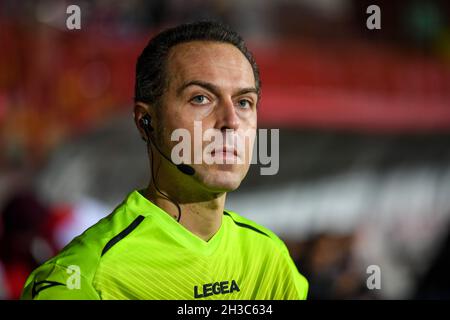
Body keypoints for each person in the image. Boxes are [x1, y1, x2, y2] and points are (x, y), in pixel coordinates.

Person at [21, 21, 308, 300]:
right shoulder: (82, 278)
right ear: (146, 121)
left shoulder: (270, 260)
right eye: (201, 99)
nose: (231, 122)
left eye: (244, 102)